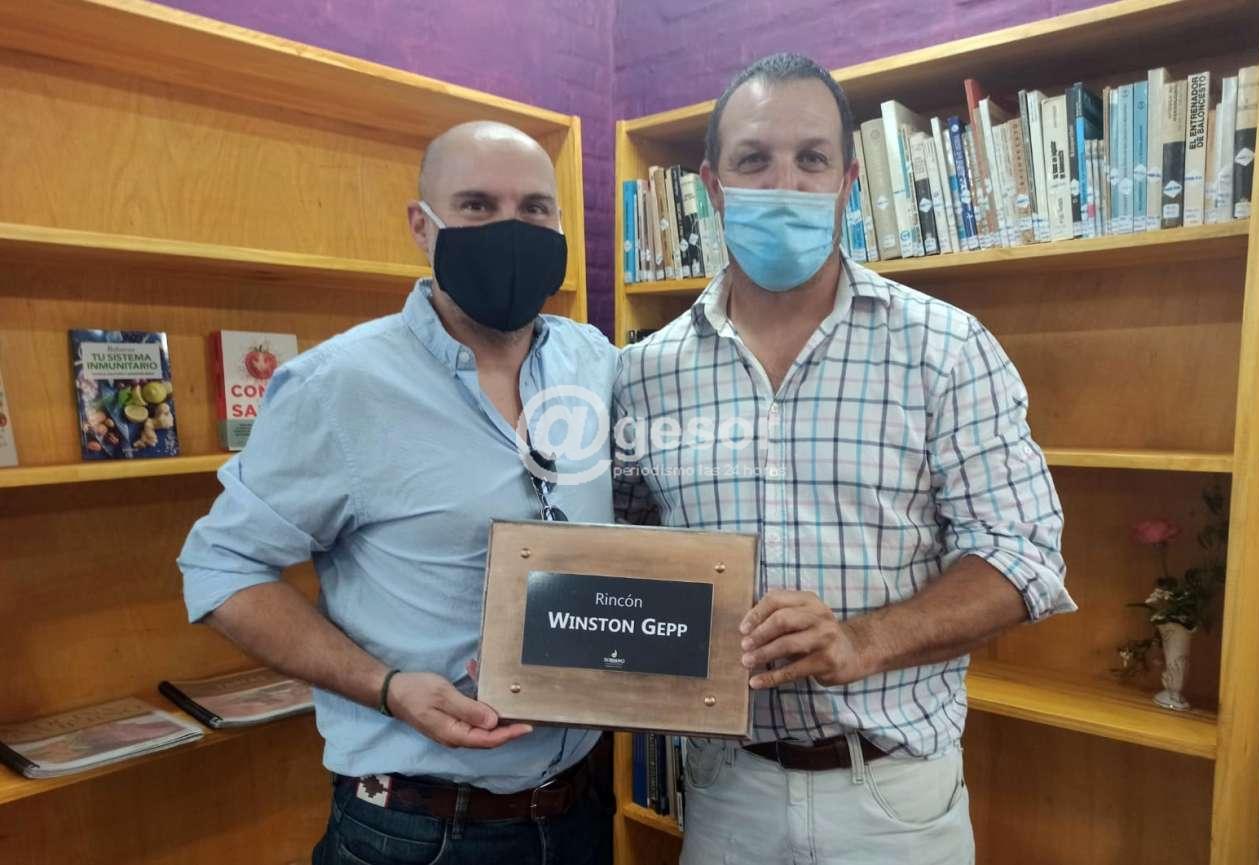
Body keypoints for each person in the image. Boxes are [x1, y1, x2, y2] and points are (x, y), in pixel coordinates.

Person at [611, 53, 1074, 864]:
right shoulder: (644, 373)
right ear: (713, 186)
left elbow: (1023, 556)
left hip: (892, 796)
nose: (784, 182)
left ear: (848, 181)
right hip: (724, 790)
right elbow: (619, 554)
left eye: (812, 158)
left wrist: (863, 641)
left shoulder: (946, 349)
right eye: (754, 159)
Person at [178, 120, 617, 865]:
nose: (510, 229)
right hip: (419, 830)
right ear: (423, 225)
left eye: (535, 209)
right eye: (477, 206)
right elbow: (220, 570)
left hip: (579, 810)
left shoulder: (594, 359)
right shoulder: (338, 385)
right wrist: (387, 688)